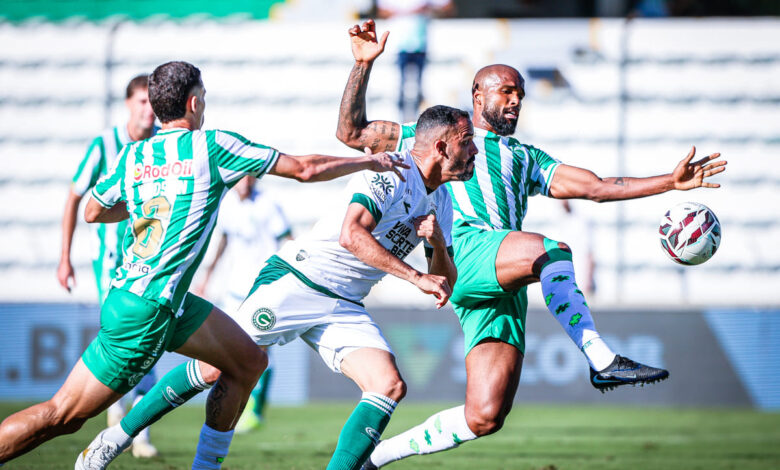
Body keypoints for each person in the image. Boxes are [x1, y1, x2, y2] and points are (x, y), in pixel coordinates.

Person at [335, 20, 727, 469]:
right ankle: (601, 357)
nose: (516, 100)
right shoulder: (433, 136)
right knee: (552, 250)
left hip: (502, 276)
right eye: (506, 91)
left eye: (520, 92)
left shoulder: (527, 157)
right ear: (478, 96)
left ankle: (372, 461)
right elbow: (351, 133)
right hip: (462, 249)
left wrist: (668, 183)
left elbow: (596, 187)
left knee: (484, 416)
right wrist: (362, 66)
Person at [0, 60, 406, 470]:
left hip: (160, 300)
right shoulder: (211, 147)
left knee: (248, 361)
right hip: (147, 311)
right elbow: (304, 168)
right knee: (62, 416)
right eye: (205, 98)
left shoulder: (134, 154)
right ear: (194, 103)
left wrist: (147, 206)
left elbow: (92, 210)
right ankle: (102, 445)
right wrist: (369, 162)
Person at [81, 104, 476, 470]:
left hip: (344, 303)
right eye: (467, 140)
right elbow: (351, 235)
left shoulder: (443, 201)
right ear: (441, 146)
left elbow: (448, 282)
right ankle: (116, 437)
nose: (475, 149)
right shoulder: (392, 172)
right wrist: (415, 275)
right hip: (298, 281)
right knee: (215, 369)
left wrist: (436, 245)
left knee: (388, 385)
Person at [56, 73, 161, 458]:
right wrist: (65, 257)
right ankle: (126, 424)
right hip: (112, 262)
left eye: (153, 102)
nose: (149, 109)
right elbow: (75, 197)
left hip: (150, 261)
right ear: (128, 104)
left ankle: (131, 424)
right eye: (142, 102)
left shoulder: (161, 145)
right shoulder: (105, 143)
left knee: (148, 339)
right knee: (129, 339)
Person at [193, 175, 294, 433]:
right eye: (242, 177)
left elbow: (288, 239)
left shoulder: (268, 204)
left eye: (251, 177)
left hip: (262, 288)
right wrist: (208, 275)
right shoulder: (227, 205)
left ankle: (255, 410)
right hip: (233, 289)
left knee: (259, 350)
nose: (246, 182)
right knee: (228, 349)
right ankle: (233, 404)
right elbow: (223, 241)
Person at [376, 0, 454, 121]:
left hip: (420, 44)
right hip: (399, 45)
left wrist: (427, 9)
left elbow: (448, 8)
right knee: (400, 87)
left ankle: (421, 119)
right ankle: (400, 119)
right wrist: (407, 12)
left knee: (420, 87)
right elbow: (381, 12)